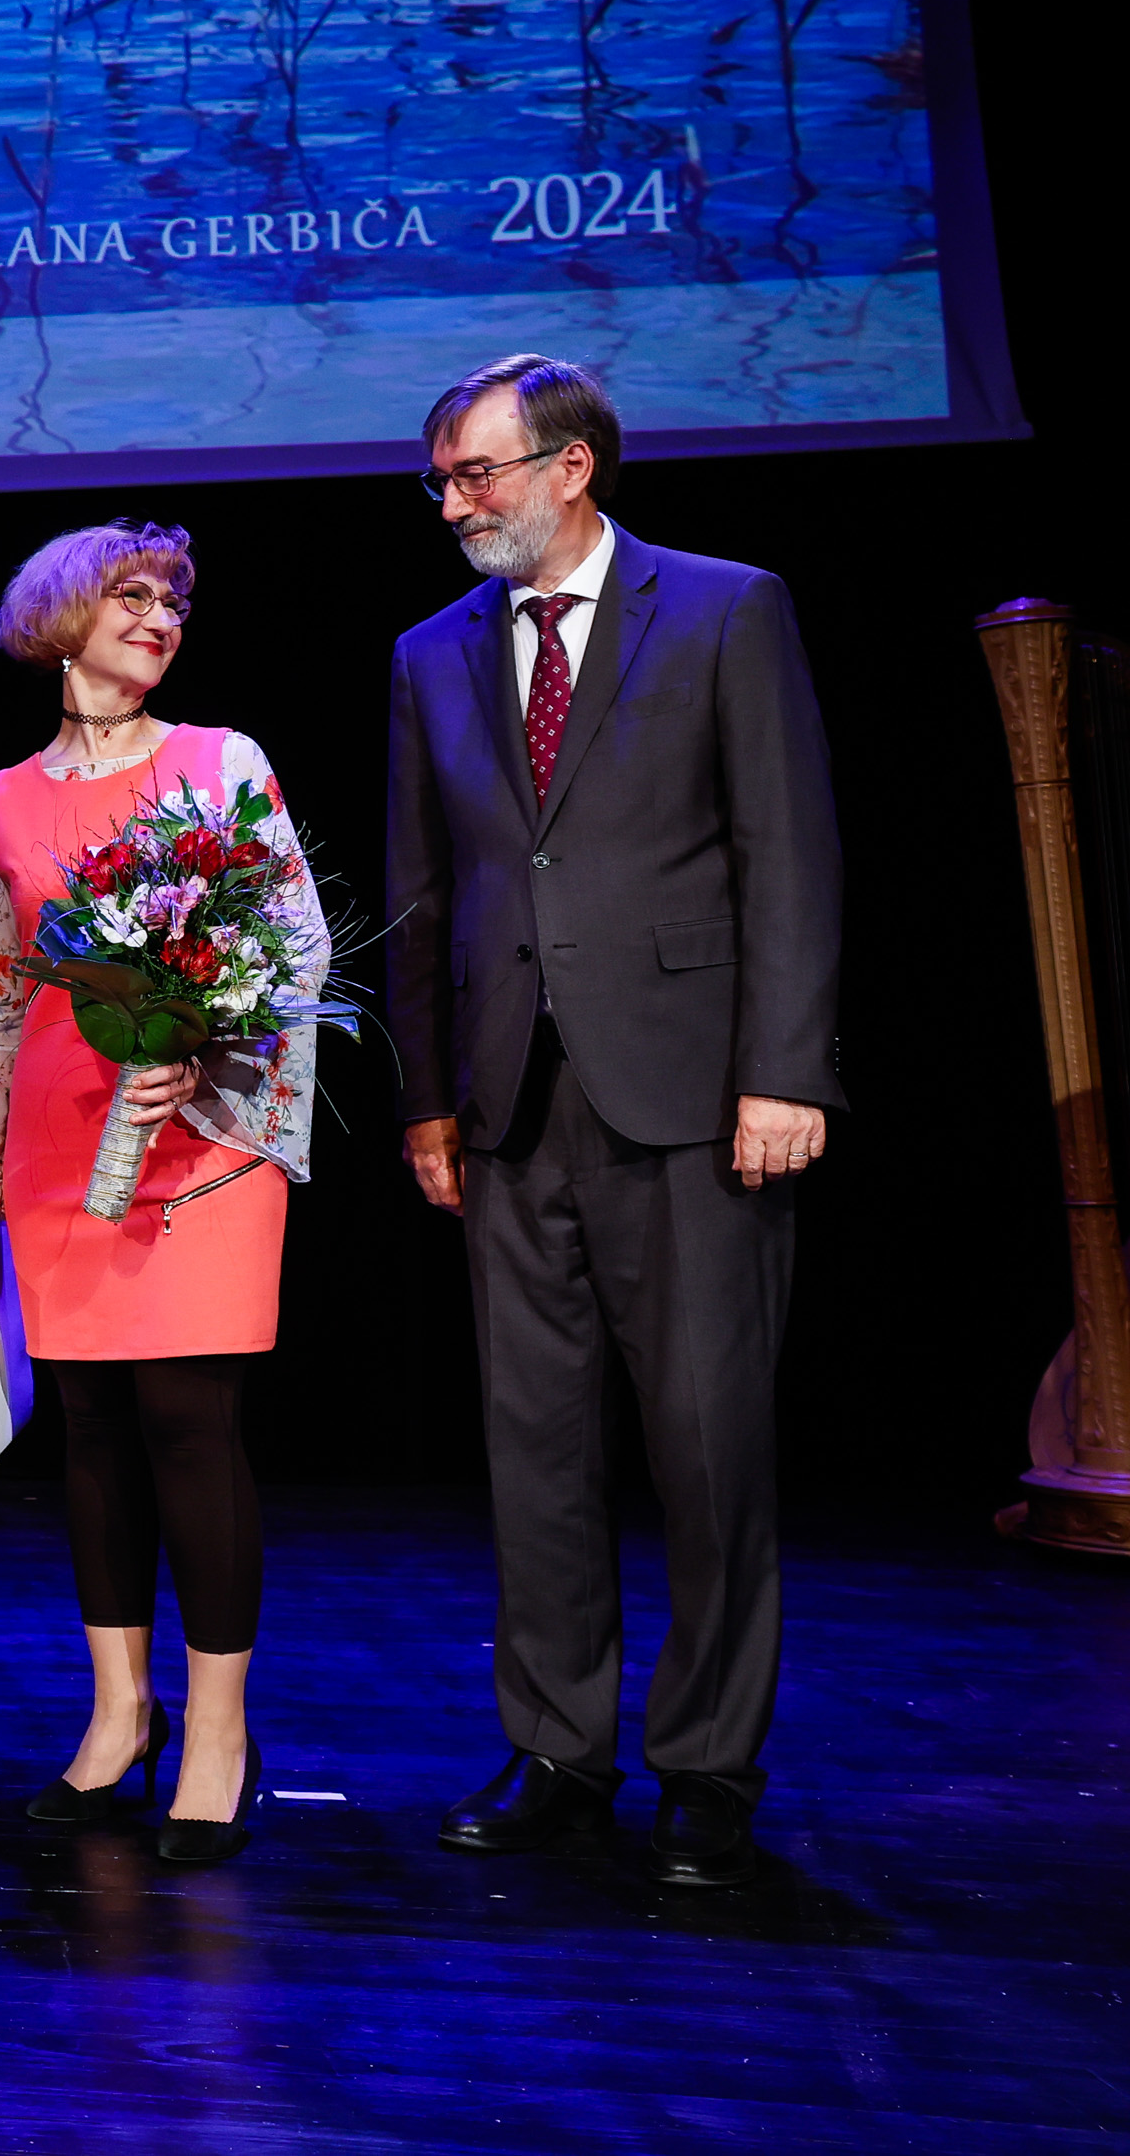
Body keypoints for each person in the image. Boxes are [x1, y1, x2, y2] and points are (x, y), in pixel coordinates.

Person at [389, 356, 842, 1888]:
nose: (455, 503)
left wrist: (787, 1070)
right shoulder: (432, 652)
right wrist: (428, 1096)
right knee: (535, 1446)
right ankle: (558, 1747)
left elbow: (789, 852)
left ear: (571, 465)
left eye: (478, 473)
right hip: (509, 1099)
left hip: (696, 1092)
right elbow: (423, 890)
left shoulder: (724, 608)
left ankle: (707, 1765)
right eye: (443, 479)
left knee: (709, 1444)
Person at [0, 521, 327, 1864]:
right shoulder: (2, 797)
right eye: (132, 594)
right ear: (60, 618)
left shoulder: (222, 761)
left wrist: (205, 1050)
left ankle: (218, 1732)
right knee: (93, 1427)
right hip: (60, 1133)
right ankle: (120, 1712)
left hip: (200, 1130)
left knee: (188, 1420)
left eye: (173, 599)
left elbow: (295, 945)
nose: (161, 616)